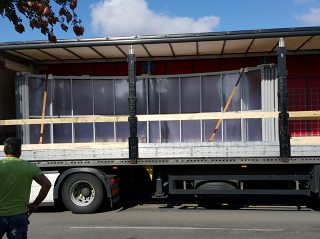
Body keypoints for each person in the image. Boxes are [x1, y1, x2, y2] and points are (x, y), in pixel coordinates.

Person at [0, 137, 51, 239]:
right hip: (19, 215)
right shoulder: (30, 167)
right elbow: (46, 185)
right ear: (20, 151)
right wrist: (35, 204)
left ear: (4, 150)